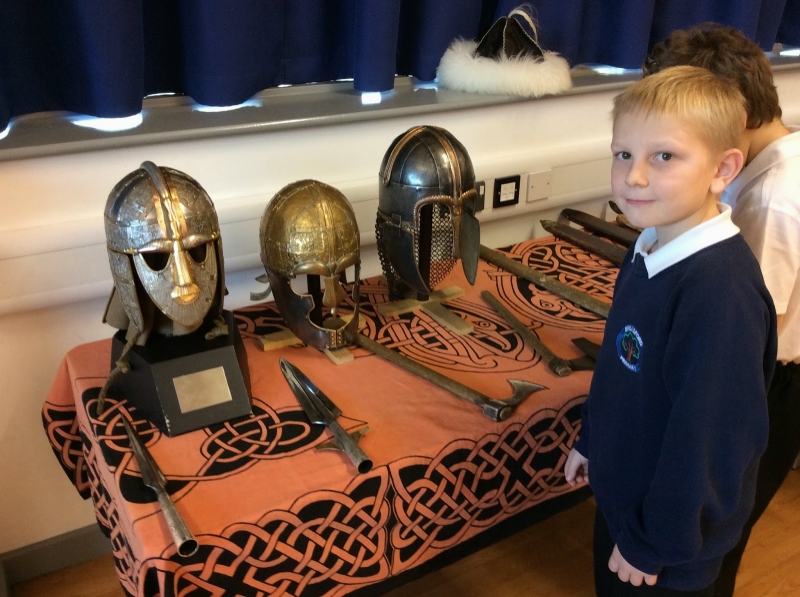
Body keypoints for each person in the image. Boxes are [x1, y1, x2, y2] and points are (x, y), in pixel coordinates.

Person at [564, 65, 778, 596]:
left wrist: (653, 542)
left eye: (664, 156)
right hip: (628, 505)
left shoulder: (718, 292)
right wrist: (593, 439)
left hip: (667, 546)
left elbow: (709, 439)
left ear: (723, 168)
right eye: (623, 154)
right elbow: (619, 369)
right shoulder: (649, 246)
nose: (635, 176)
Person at [643, 25, 800, 596]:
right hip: (761, 376)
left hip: (770, 385)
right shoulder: (771, 166)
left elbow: (741, 336)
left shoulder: (774, 199)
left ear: (729, 120)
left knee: (709, 541)